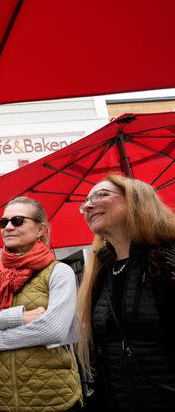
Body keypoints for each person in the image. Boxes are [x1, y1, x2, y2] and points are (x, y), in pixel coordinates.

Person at [0, 196, 82, 412]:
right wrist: (20, 317)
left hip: (53, 397)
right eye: (3, 222)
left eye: (17, 221)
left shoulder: (59, 271)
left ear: (41, 229)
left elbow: (53, 330)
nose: (8, 227)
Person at [75, 174, 175, 411]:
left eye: (101, 195)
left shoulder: (167, 260)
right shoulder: (100, 272)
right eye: (86, 201)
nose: (89, 205)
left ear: (135, 200)